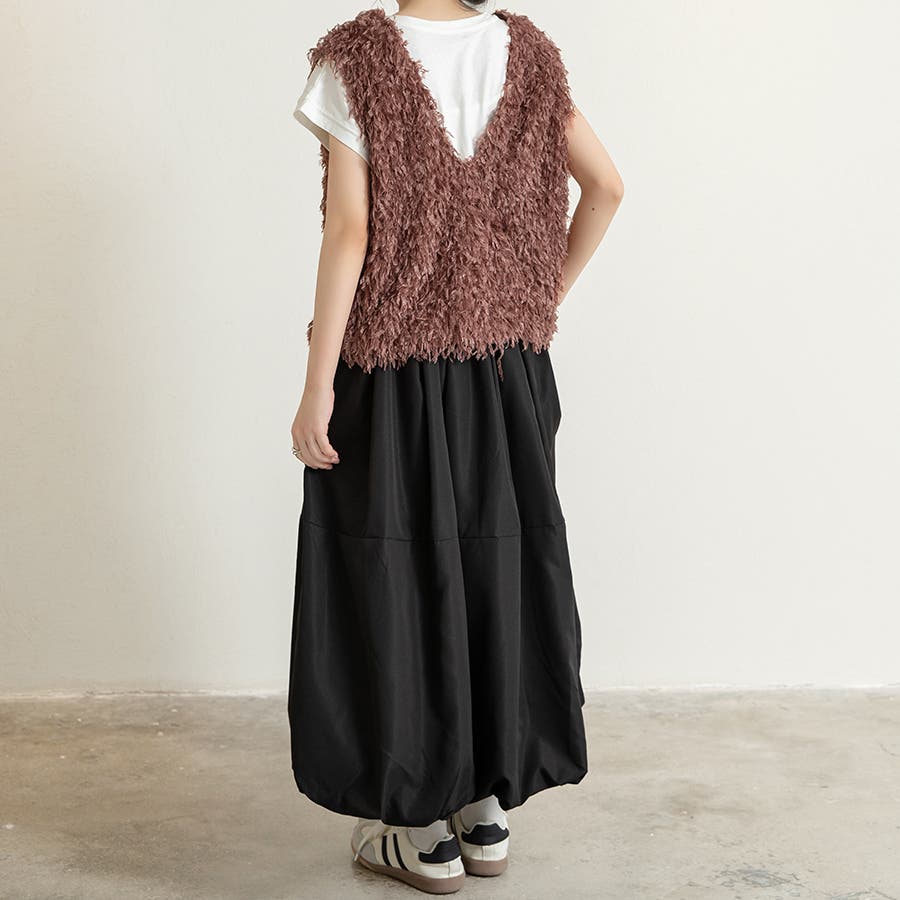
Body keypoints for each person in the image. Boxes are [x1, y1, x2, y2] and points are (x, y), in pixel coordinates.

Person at [287, 0, 623, 893]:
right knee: (495, 569)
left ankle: (418, 829)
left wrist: (318, 383)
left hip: (392, 370)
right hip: (509, 375)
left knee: (393, 575)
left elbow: (350, 230)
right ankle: (484, 811)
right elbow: (607, 187)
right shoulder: (530, 53)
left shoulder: (356, 59)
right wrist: (537, 296)